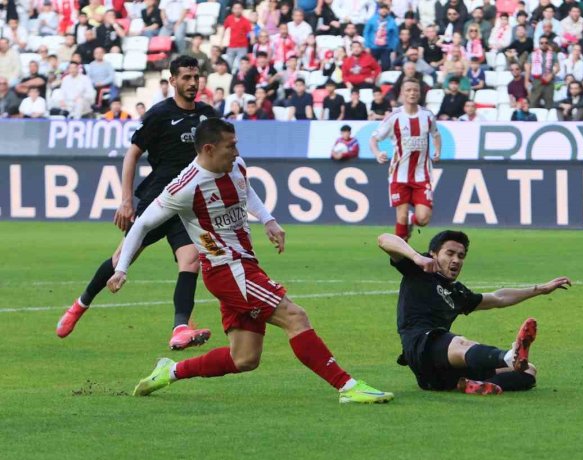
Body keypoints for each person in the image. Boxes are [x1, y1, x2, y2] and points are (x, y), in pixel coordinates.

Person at [106, 118, 393, 403]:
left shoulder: (236, 166)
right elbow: (141, 225)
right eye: (230, 146)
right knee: (295, 316)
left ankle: (171, 371)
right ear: (208, 149)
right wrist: (121, 269)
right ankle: (348, 387)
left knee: (244, 358)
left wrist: (268, 220)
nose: (236, 150)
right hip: (227, 270)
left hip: (244, 266)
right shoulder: (185, 187)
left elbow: (246, 190)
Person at [56, 56, 218, 349]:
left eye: (196, 77)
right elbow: (132, 154)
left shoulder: (208, 115)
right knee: (122, 259)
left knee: (191, 261)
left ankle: (180, 328)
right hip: (157, 199)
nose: (192, 83)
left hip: (188, 205)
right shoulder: (159, 115)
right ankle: (80, 304)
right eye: (186, 78)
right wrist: (126, 200)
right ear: (173, 81)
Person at [377, 230, 571, 394]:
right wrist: (416, 257)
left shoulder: (458, 293)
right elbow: (384, 239)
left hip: (440, 375)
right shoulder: (418, 270)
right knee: (461, 342)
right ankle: (509, 355)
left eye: (461, 256)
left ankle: (469, 385)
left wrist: (541, 289)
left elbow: (499, 298)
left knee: (528, 372)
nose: (456, 260)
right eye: (450, 253)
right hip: (420, 348)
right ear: (434, 254)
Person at [370, 78, 442, 241]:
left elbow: (436, 135)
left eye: (415, 90)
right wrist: (377, 153)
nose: (412, 93)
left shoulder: (427, 115)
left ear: (420, 93)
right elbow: (374, 139)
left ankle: (412, 220)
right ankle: (401, 259)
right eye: (408, 90)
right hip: (399, 175)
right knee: (400, 219)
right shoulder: (394, 117)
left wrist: (438, 150)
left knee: (423, 219)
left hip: (422, 176)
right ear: (402, 93)